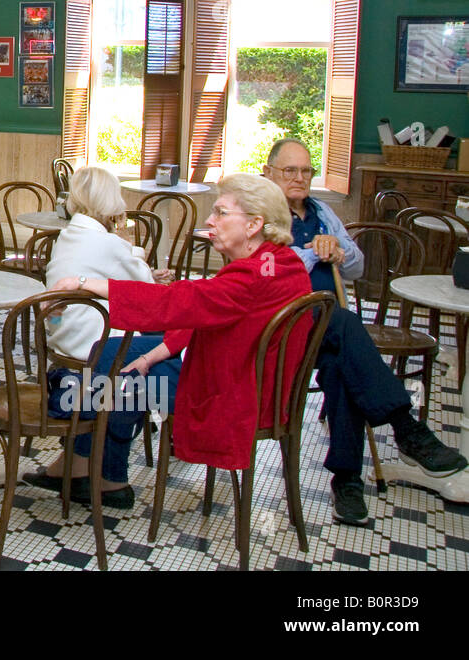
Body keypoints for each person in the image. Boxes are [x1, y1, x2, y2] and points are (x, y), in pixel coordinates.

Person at [51, 174, 316, 481]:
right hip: (241, 372)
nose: (209, 220)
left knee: (114, 386)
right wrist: (152, 356)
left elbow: (176, 302)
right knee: (108, 351)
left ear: (254, 224)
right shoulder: (277, 262)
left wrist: (82, 282)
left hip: (233, 394)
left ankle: (97, 470)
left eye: (221, 212)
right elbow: (208, 310)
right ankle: (89, 462)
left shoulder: (253, 277)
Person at [262, 138, 465, 524]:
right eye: (290, 171)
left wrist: (340, 249)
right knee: (343, 321)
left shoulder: (322, 212)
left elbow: (356, 268)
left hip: (325, 335)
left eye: (306, 171)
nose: (299, 178)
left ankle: (347, 481)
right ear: (269, 172)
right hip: (281, 330)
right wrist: (311, 253)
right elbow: (264, 271)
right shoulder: (259, 214)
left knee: (343, 363)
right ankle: (407, 430)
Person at [24, 166, 174, 508]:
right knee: (145, 366)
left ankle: (73, 467)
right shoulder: (106, 242)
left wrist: (139, 267)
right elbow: (149, 293)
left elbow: (110, 275)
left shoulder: (70, 234)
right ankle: (109, 477)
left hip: (64, 350)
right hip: (92, 354)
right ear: (113, 204)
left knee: (130, 368)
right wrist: (139, 259)